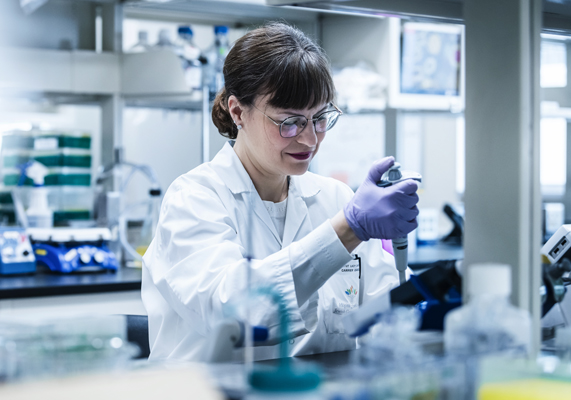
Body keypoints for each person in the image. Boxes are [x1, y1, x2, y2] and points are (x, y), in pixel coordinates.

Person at [141, 22, 419, 361]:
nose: (310, 139)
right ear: (238, 111)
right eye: (289, 122)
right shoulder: (194, 199)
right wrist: (346, 230)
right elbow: (235, 312)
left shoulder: (334, 198)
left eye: (320, 118)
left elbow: (386, 305)